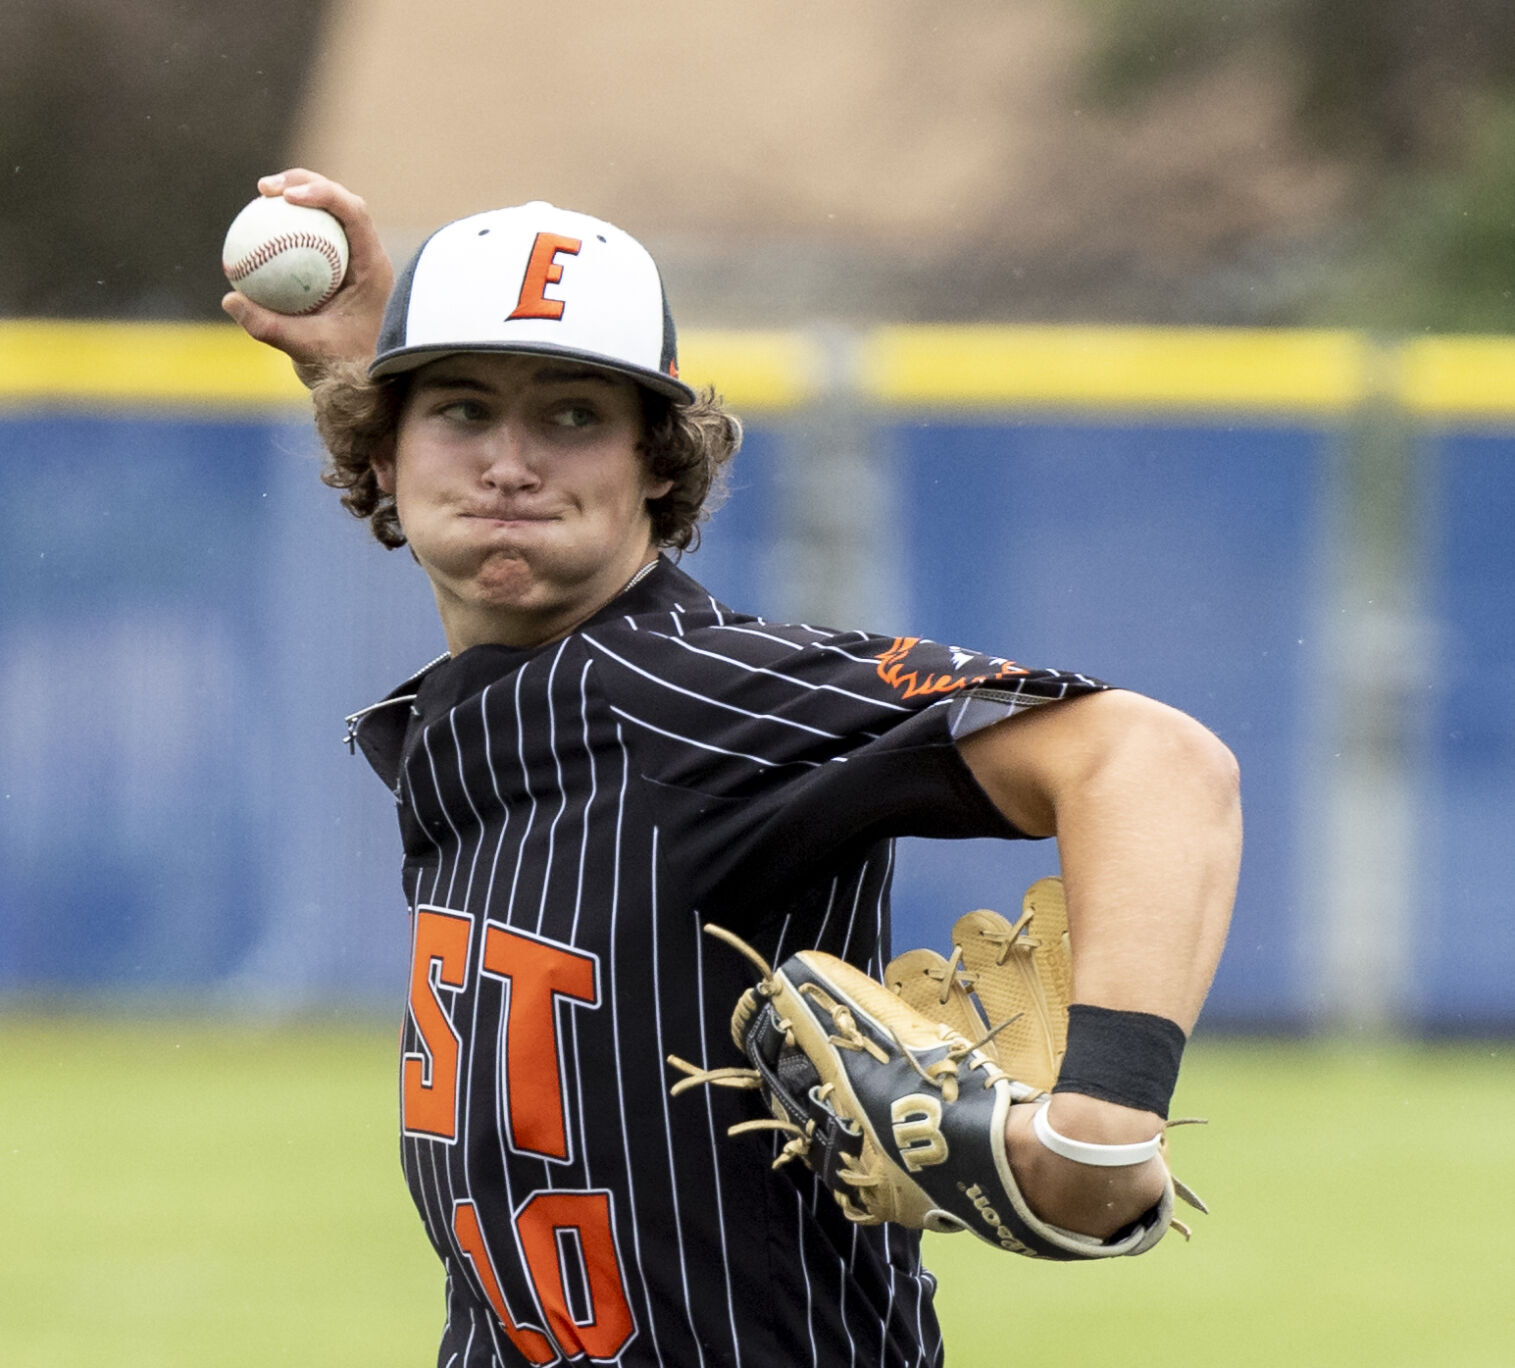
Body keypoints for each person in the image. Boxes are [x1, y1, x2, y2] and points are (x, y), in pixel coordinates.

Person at [225, 169, 1241, 1367]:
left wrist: (1099, 1129)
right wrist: (368, 365)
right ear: (381, 453)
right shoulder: (490, 714)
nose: (508, 461)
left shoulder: (691, 695)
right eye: (457, 410)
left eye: (570, 416)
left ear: (657, 463)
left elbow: (1155, 760)